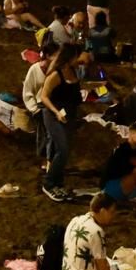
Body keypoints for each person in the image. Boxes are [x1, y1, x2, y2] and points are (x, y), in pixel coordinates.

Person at [39, 47, 90, 202]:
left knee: (60, 149)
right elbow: (44, 96)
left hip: (68, 116)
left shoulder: (74, 73)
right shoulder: (56, 74)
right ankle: (48, 183)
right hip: (53, 115)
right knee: (63, 149)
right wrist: (55, 112)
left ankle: (57, 182)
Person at [61, 194, 132, 270]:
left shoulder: (75, 220)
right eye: (111, 212)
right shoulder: (96, 231)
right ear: (103, 211)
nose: (113, 216)